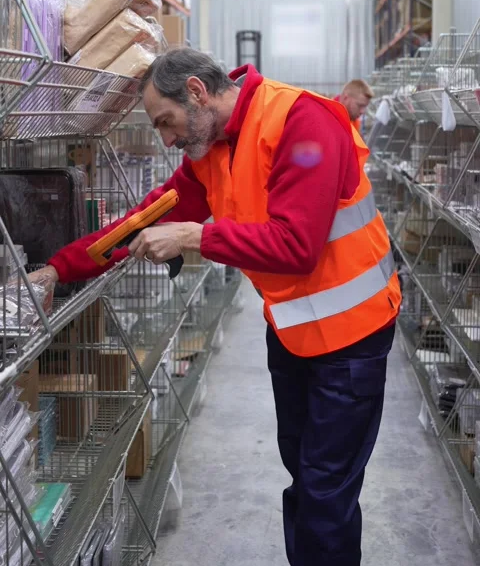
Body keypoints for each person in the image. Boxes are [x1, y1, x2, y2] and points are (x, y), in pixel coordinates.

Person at [29, 50, 400, 566]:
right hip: (292, 330)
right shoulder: (213, 150)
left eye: (167, 122)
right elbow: (146, 217)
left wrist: (195, 236)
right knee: (305, 471)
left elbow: (298, 245)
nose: (167, 139)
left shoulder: (302, 121)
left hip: (353, 337)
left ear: (198, 93)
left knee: (323, 491)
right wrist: (57, 269)